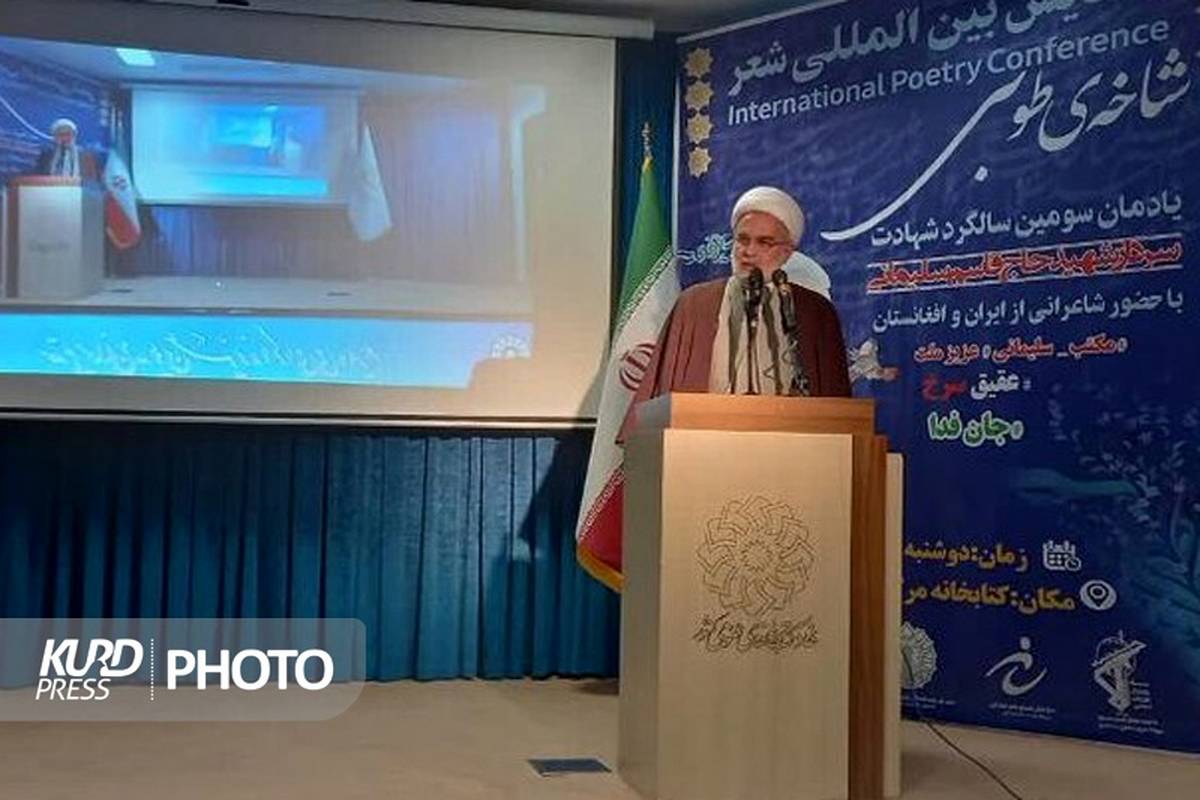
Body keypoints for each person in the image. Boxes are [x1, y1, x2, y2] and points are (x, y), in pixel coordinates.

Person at [621, 186, 850, 439]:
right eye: (742, 239)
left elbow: (837, 413)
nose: (748, 251)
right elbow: (661, 399)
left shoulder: (816, 313)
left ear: (787, 253)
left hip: (789, 447)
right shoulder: (695, 305)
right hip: (702, 445)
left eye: (764, 242)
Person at [34, 118, 99, 180]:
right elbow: (38, 176)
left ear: (74, 136)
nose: (65, 138)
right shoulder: (46, 155)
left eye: (68, 134)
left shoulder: (86, 156)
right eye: (61, 135)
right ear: (55, 137)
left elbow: (94, 179)